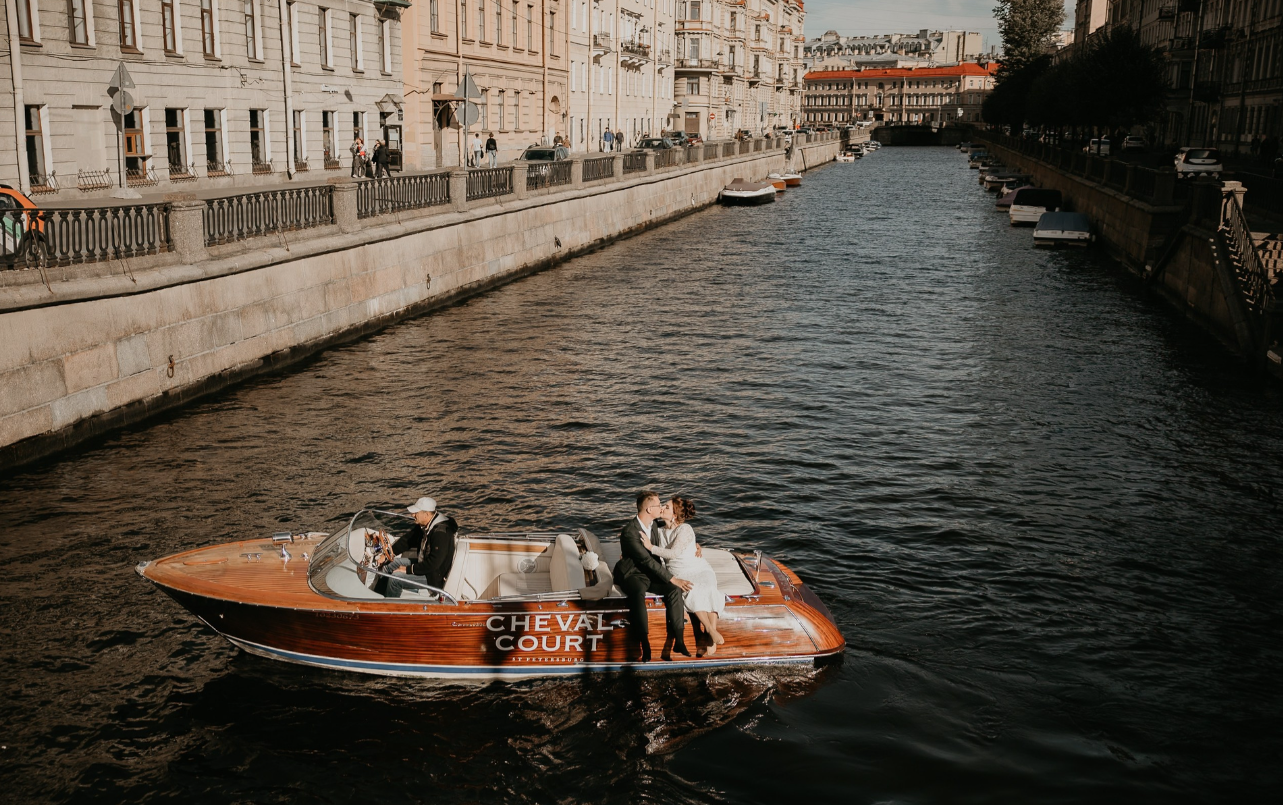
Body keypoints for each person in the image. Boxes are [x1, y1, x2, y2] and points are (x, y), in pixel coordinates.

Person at [613, 490, 693, 660]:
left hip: (649, 572)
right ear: (649, 509)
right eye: (658, 505)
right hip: (632, 573)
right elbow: (646, 561)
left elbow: (674, 534)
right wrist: (673, 578)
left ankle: (679, 641)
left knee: (674, 590)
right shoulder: (630, 532)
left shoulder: (655, 525)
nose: (661, 507)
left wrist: (696, 546)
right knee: (637, 593)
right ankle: (644, 644)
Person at [644, 497, 725, 654]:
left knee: (709, 588)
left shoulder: (685, 529)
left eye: (666, 507)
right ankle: (709, 630)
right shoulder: (658, 530)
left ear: (674, 514)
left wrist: (650, 547)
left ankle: (711, 633)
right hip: (679, 571)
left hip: (698, 567)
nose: (661, 508)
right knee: (691, 589)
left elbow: (674, 553)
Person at [386, 497, 458, 598]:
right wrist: (388, 554)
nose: (412, 515)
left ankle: (389, 608)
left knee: (395, 579)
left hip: (434, 576)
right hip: (425, 564)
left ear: (426, 514)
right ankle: (380, 596)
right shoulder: (426, 525)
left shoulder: (440, 533)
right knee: (391, 563)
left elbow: (434, 564)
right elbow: (407, 540)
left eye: (416, 513)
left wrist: (408, 569)